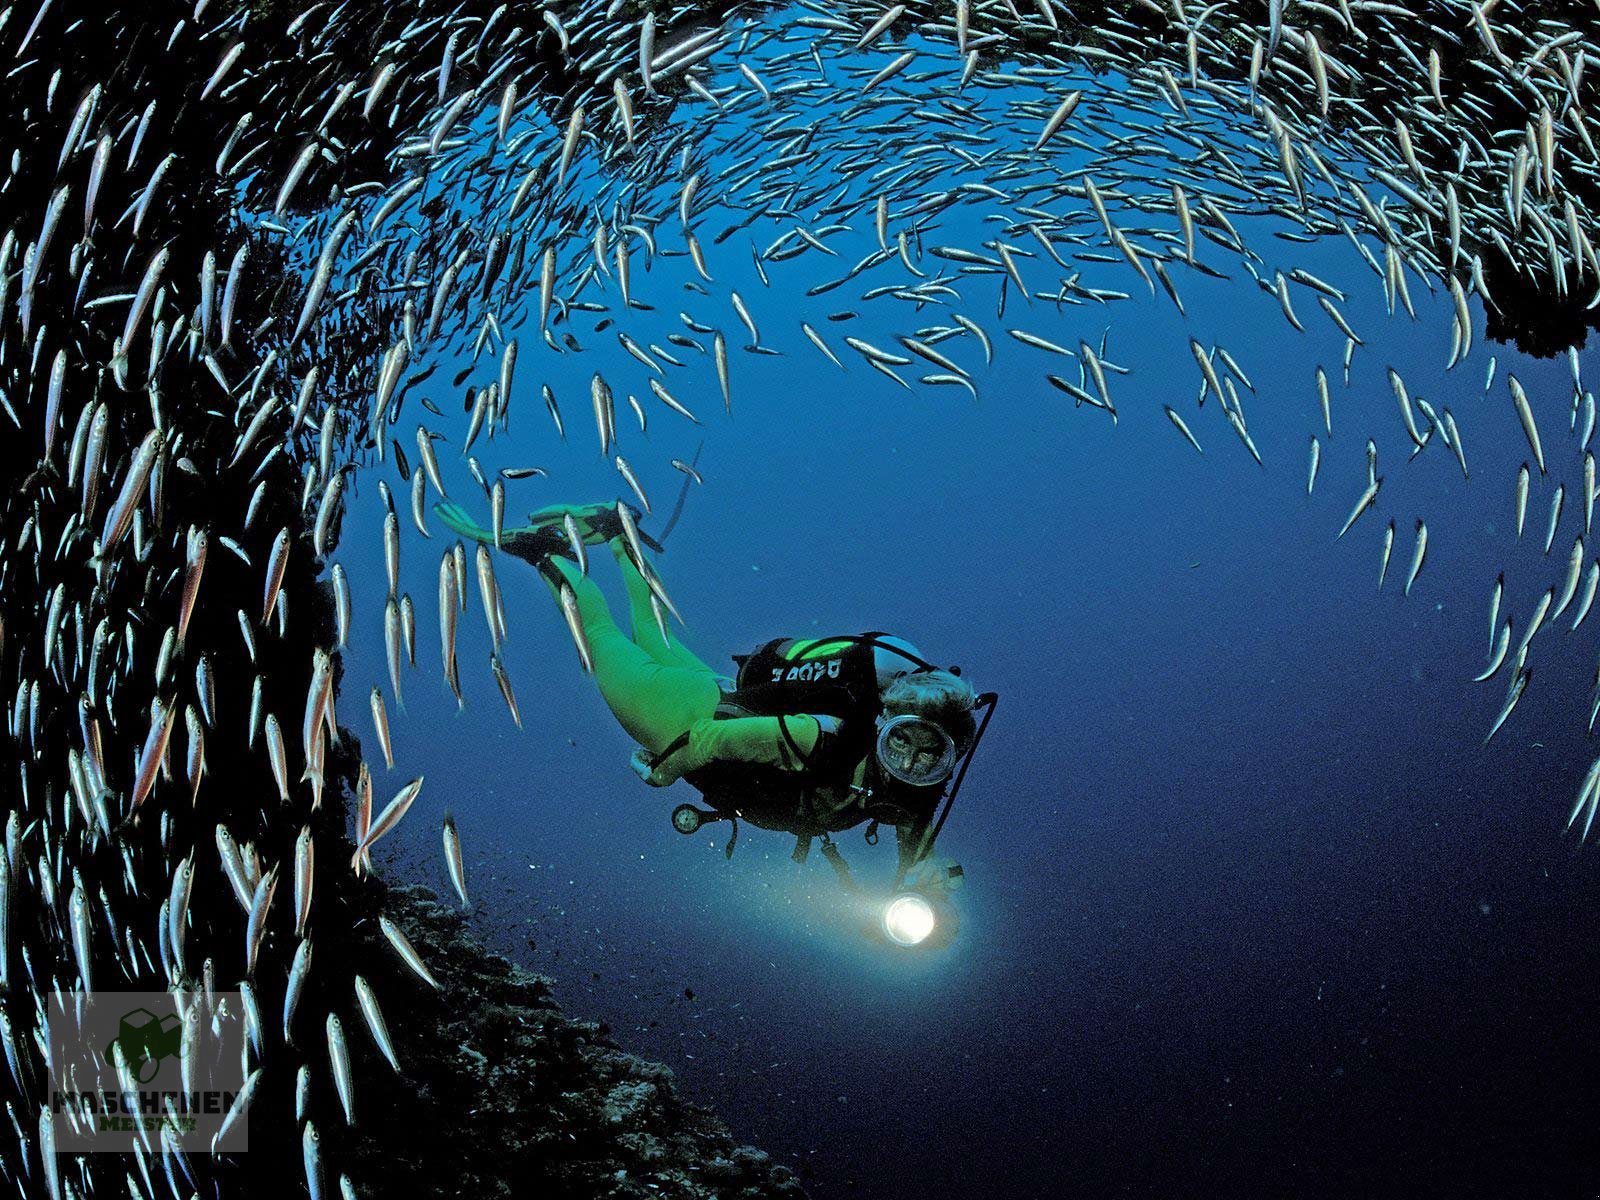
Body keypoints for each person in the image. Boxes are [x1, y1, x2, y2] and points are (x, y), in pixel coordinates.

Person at [435, 499, 993, 888]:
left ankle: (614, 531)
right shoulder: (816, 737)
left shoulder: (917, 798)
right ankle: (543, 551)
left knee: (655, 635)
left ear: (949, 757)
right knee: (600, 636)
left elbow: (917, 855)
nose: (909, 763)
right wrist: (663, 771)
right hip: (680, 714)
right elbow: (705, 739)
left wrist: (923, 880)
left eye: (929, 757)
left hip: (717, 692)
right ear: (883, 725)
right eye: (903, 743)